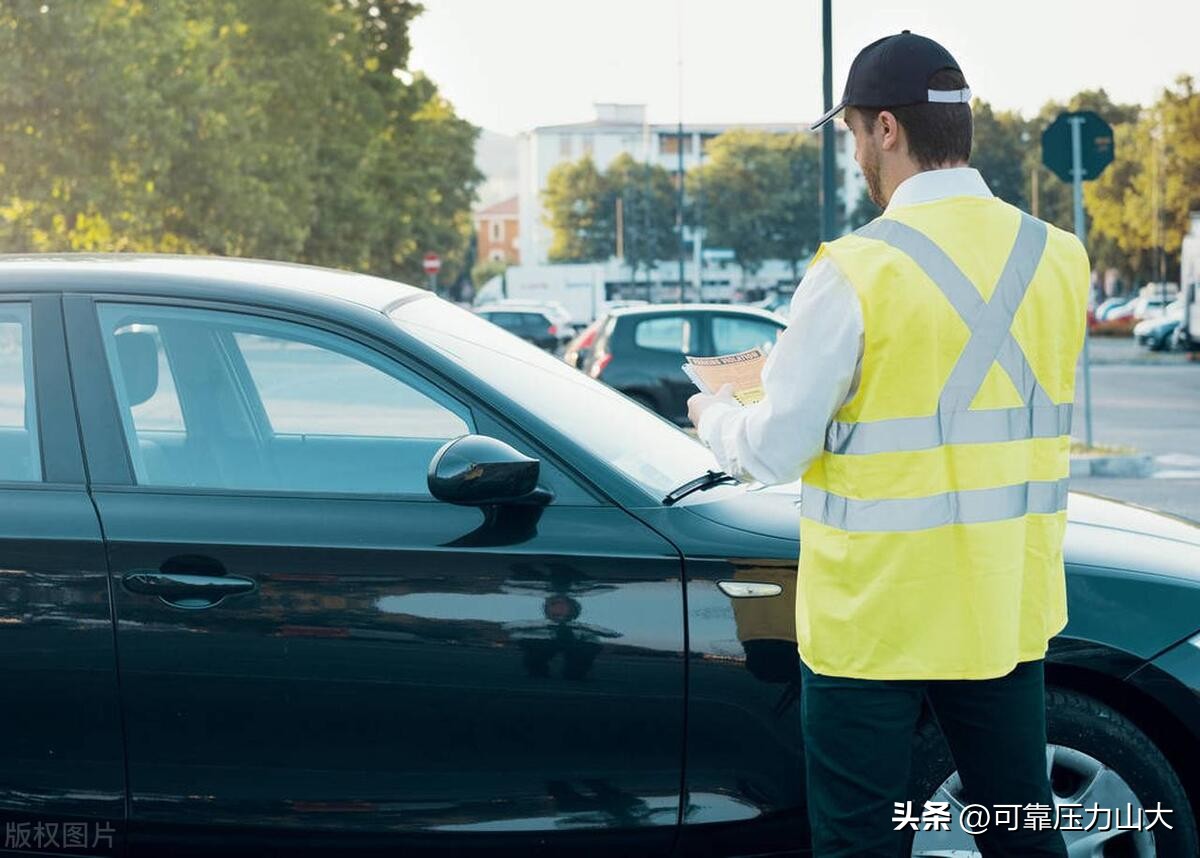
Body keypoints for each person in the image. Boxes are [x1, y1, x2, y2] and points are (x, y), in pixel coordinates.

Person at [687, 31, 1088, 858]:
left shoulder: (856, 269)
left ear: (886, 131)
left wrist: (714, 412)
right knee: (1022, 832)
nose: (856, 155)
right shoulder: (1061, 256)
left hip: (877, 620)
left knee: (861, 842)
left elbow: (773, 450)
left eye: (853, 136)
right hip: (1001, 605)